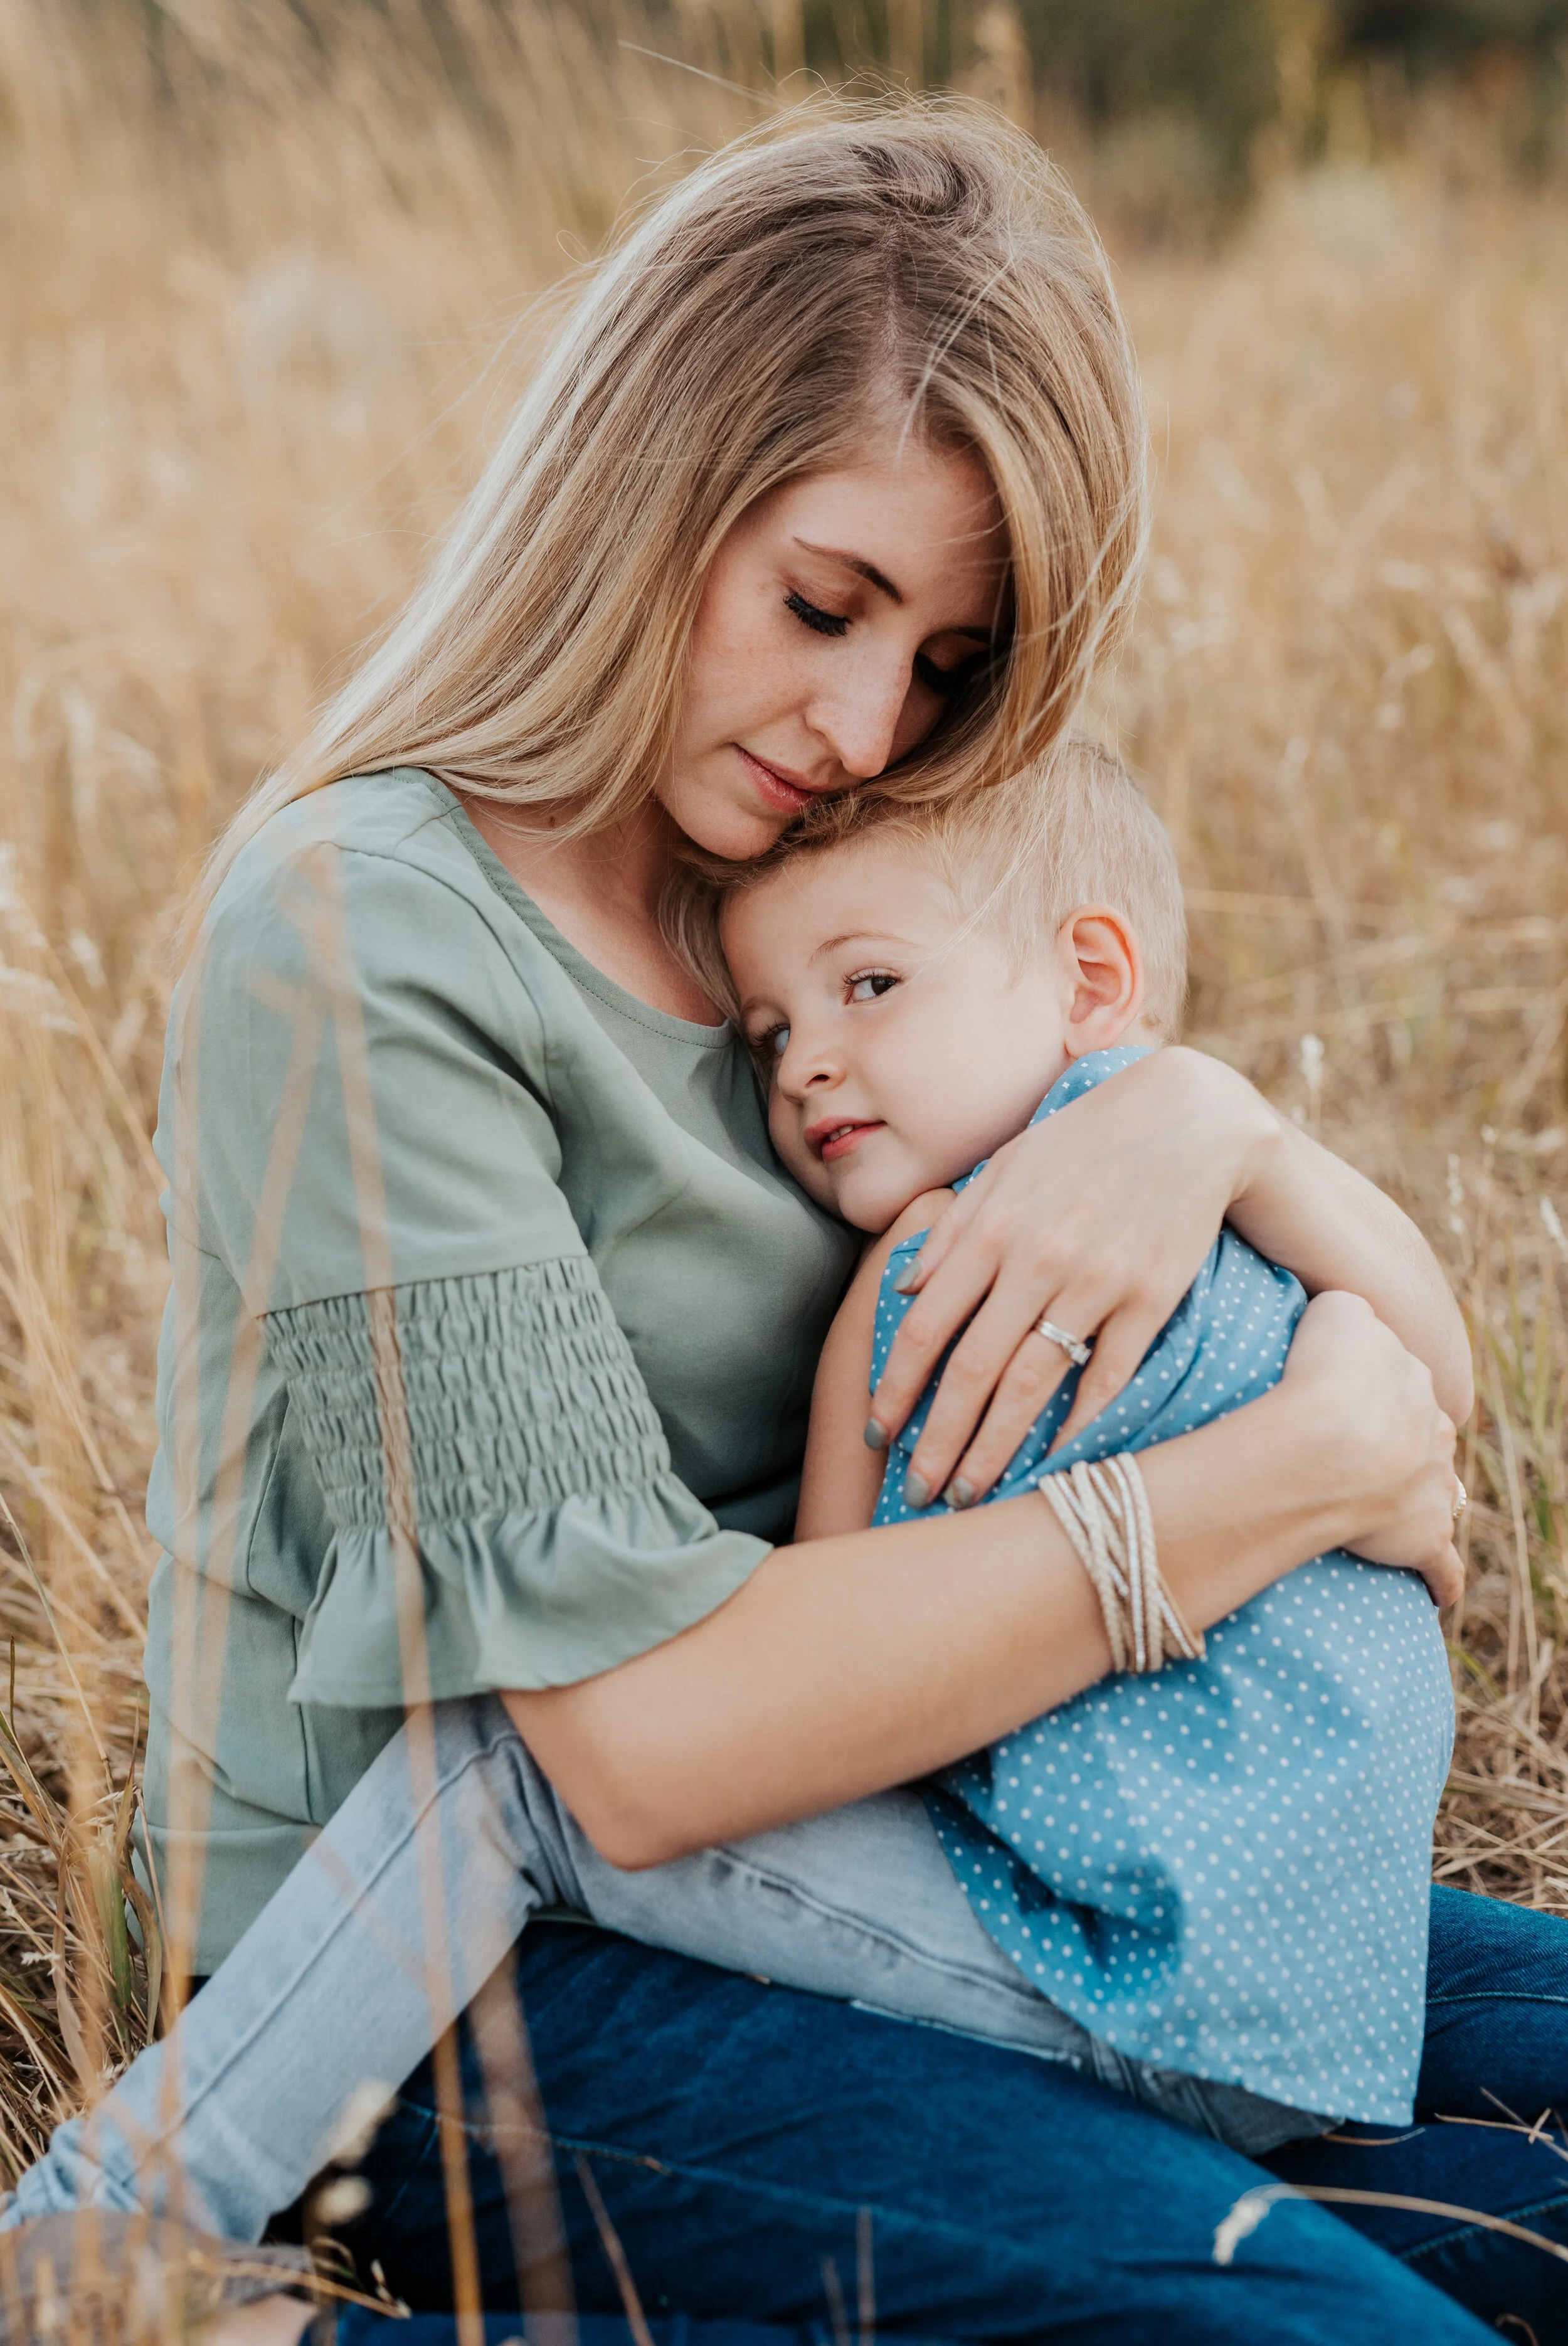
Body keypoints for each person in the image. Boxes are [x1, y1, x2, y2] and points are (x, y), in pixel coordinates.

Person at [12, 102, 1565, 2346]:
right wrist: (1271, 1481)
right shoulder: (362, 934)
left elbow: (1429, 1414)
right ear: (649, 487)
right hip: (462, 1982)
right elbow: (624, 1758)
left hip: (939, 1838)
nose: (864, 725)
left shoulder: (827, 905)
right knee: (1329, 2329)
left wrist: (1215, 1132)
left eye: (942, 663)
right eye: (823, 606)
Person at [3, 743, 1462, 2258]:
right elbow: (1431, 1402)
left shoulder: (916, 1284)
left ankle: (100, 2223)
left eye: (869, 987)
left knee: (501, 1755)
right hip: (1329, 1991)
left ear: (1091, 973)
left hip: (1120, 1965)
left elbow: (821, 1682)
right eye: (770, 1033)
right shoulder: (1254, 1228)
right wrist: (1229, 1143)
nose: (808, 1061)